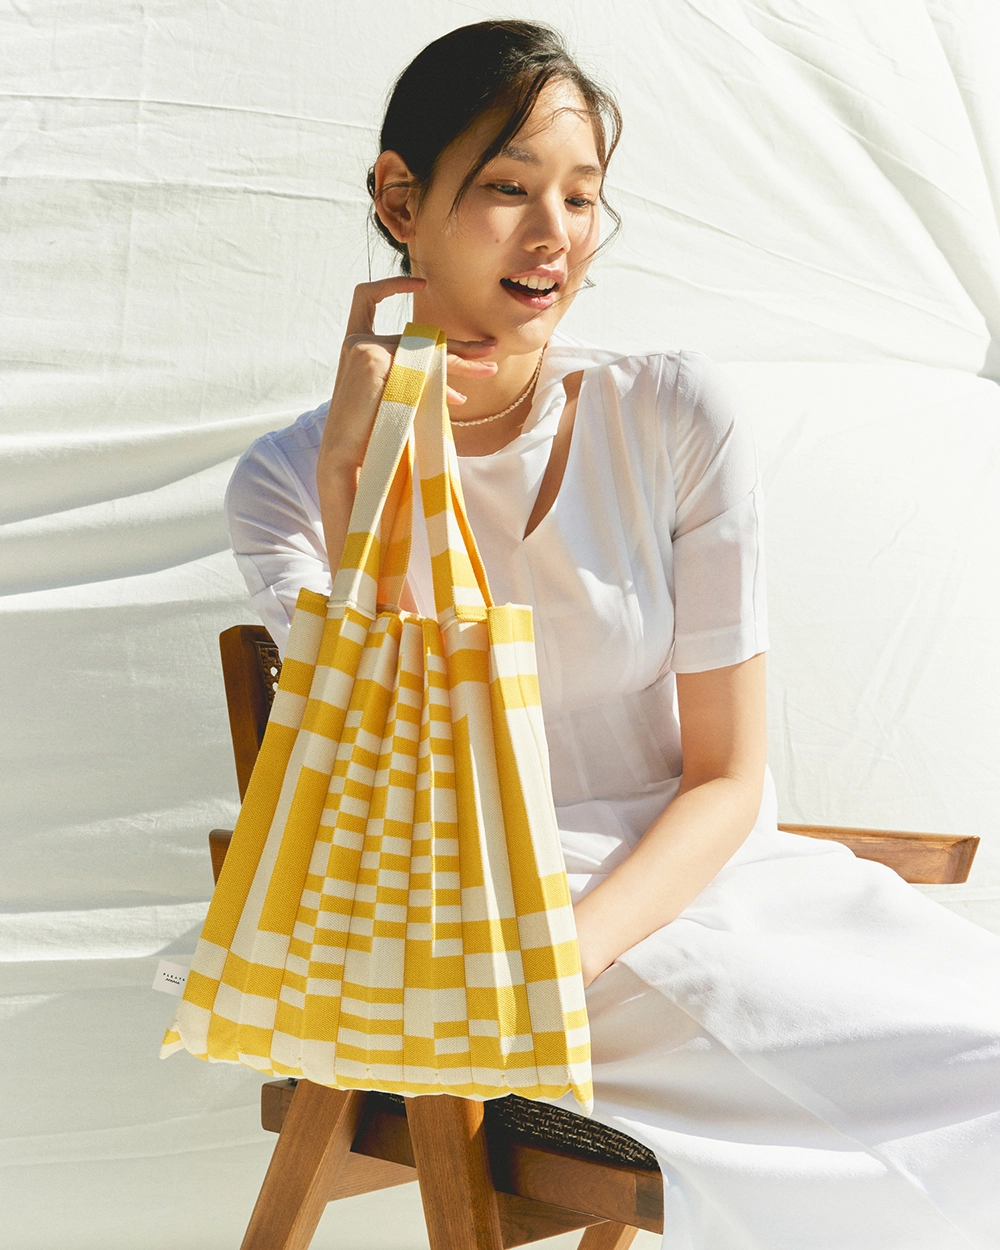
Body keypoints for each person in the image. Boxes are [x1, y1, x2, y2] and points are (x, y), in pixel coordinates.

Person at [224, 20, 1000, 1250]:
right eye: (508, 189)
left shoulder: (671, 412)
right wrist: (359, 472)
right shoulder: (282, 482)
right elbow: (399, 760)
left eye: (581, 197)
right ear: (399, 199)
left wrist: (566, 958)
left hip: (706, 881)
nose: (555, 235)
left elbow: (728, 776)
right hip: (470, 918)